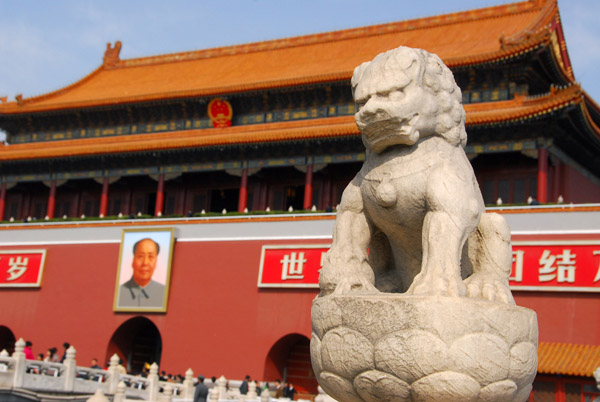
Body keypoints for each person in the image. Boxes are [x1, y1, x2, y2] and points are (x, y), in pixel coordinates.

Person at [117, 238, 165, 308]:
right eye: (140, 256)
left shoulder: (164, 293)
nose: (145, 263)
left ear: (156, 262)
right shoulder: (119, 293)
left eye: (151, 257)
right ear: (133, 261)